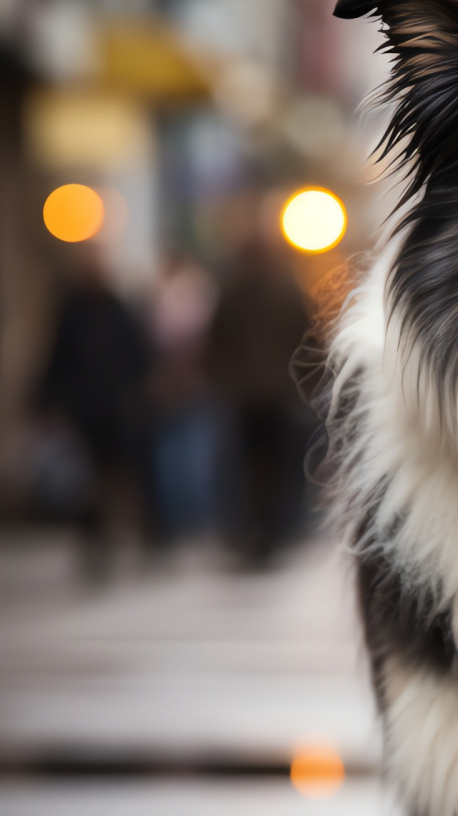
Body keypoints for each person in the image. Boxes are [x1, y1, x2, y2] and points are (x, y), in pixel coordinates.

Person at [37, 251, 155, 575]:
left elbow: (139, 357)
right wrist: (46, 401)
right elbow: (57, 357)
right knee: (84, 480)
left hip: (116, 409)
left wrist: (137, 395)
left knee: (117, 474)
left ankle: (121, 531)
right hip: (82, 410)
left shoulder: (119, 310)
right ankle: (93, 536)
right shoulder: (71, 311)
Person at [206, 235, 314, 565]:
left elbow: (215, 341)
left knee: (246, 467)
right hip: (280, 394)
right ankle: (273, 529)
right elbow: (309, 341)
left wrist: (225, 383)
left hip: (245, 397)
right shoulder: (287, 290)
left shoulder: (232, 291)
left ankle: (251, 529)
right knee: (277, 466)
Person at [147, 253, 218, 543]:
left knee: (180, 455)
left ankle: (182, 516)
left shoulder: (166, 300)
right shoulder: (200, 296)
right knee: (189, 454)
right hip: (190, 387)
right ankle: (191, 516)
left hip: (177, 388)